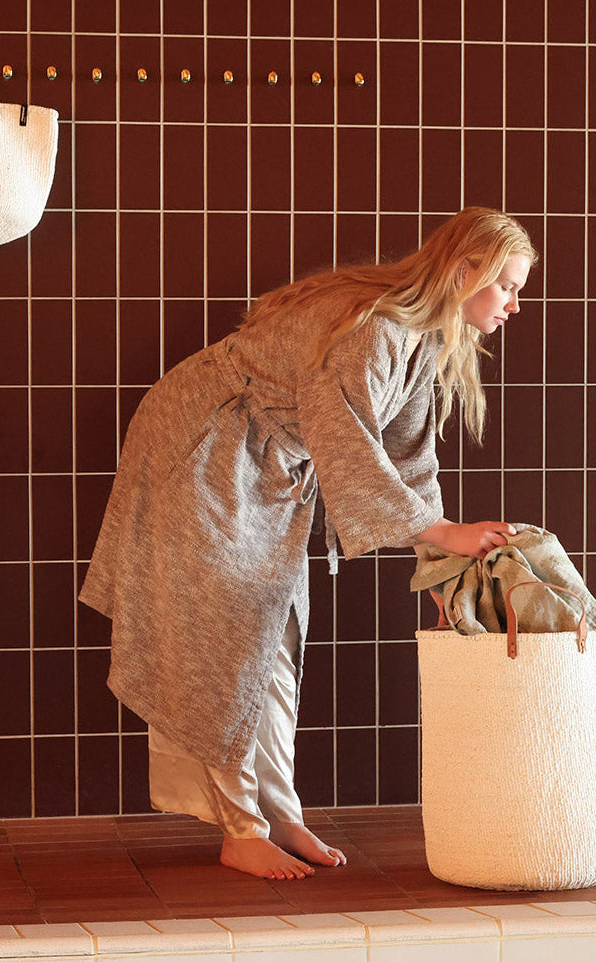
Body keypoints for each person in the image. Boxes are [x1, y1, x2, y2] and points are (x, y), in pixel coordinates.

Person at [78, 206, 535, 880]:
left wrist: (440, 567)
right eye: (507, 286)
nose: (514, 306)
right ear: (464, 272)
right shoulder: (375, 329)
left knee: (277, 633)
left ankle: (278, 812)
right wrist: (439, 533)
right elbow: (345, 436)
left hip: (261, 461)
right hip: (201, 446)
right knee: (224, 638)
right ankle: (241, 829)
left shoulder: (424, 338)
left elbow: (406, 458)